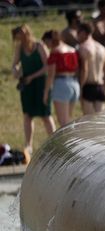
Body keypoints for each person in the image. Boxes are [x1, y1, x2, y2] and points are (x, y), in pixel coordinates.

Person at [11, 25, 56, 155]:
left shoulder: (39, 45)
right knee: (27, 115)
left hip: (41, 84)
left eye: (22, 36)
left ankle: (54, 143)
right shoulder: (20, 48)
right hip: (27, 86)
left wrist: (32, 76)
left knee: (46, 115)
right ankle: (28, 145)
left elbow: (48, 65)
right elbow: (15, 64)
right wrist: (16, 69)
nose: (20, 40)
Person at [42, 30, 80, 127]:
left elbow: (51, 75)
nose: (47, 46)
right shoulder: (72, 50)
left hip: (62, 84)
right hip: (74, 84)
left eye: (46, 42)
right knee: (68, 119)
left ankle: (67, 142)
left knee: (63, 122)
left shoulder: (55, 52)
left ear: (51, 40)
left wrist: (46, 93)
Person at [77, 22, 105, 114]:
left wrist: (80, 87)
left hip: (88, 86)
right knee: (99, 121)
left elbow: (85, 70)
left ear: (83, 33)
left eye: (78, 33)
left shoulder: (83, 48)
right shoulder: (102, 48)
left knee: (88, 121)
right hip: (100, 86)